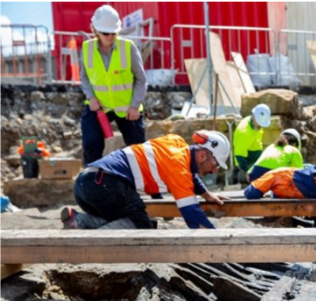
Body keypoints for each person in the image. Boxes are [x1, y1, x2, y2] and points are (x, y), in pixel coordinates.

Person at [61, 131, 230, 230]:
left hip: (86, 183)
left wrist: (207, 195)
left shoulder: (176, 142)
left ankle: (78, 221)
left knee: (123, 218)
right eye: (215, 164)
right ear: (202, 155)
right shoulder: (178, 169)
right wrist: (216, 237)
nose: (214, 170)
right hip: (106, 185)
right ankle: (91, 242)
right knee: (141, 227)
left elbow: (190, 173)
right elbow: (193, 217)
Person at [80, 5, 147, 166]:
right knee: (91, 143)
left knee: (138, 148)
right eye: (105, 33)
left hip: (127, 108)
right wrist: (91, 97)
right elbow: (84, 77)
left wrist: (134, 105)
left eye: (113, 32)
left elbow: (141, 79)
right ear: (95, 30)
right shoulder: (87, 48)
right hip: (100, 105)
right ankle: (92, 180)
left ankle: (143, 182)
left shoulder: (128, 47)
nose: (110, 36)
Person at [232, 104, 271, 183]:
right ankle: (238, 178)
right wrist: (245, 171)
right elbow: (239, 156)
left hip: (254, 152)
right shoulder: (243, 131)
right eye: (260, 124)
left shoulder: (257, 124)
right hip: (244, 158)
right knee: (245, 178)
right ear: (253, 117)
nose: (261, 126)